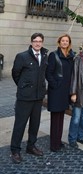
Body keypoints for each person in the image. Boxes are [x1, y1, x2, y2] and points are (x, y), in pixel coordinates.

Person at [10, 33, 48, 164]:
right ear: (31, 42)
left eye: (40, 41)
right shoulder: (22, 56)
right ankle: (15, 150)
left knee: (35, 124)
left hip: (38, 97)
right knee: (20, 125)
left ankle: (31, 146)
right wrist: (23, 86)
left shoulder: (44, 56)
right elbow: (15, 74)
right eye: (35, 41)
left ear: (42, 43)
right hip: (24, 97)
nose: (37, 43)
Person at [46, 33, 75, 152]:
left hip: (65, 91)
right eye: (63, 41)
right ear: (59, 42)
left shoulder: (70, 56)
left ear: (69, 43)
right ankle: (54, 145)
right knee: (55, 118)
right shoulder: (54, 55)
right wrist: (55, 84)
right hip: (56, 91)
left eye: (66, 41)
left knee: (61, 117)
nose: (64, 43)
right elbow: (48, 73)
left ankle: (58, 141)